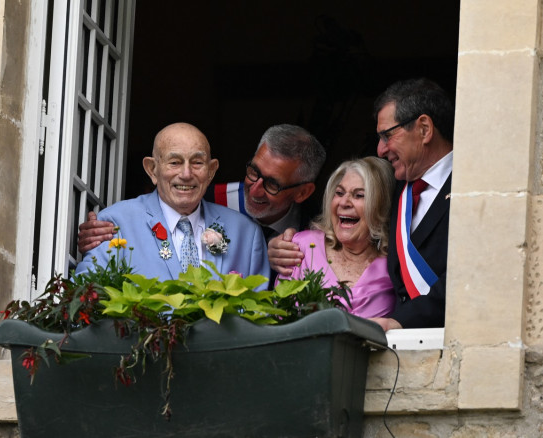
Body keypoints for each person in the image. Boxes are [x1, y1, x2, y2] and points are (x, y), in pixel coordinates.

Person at [269, 78, 453, 330]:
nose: (380, 149)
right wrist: (276, 244)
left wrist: (399, 323)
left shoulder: (475, 191)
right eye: (340, 193)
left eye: (387, 135)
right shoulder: (399, 189)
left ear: (424, 129)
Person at [76, 124, 326, 252]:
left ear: (302, 192)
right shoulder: (207, 198)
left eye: (272, 184)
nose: (255, 189)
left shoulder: (317, 227)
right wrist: (101, 233)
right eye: (253, 172)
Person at [74, 122, 270, 282]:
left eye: (197, 163)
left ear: (211, 171)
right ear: (152, 170)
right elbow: (88, 297)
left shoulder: (246, 233)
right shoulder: (117, 223)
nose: (186, 174)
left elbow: (259, 317)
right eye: (174, 162)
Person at [277, 157, 396, 319]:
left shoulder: (395, 265)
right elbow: (277, 317)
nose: (344, 202)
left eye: (359, 195)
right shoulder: (301, 247)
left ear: (381, 206)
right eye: (339, 193)